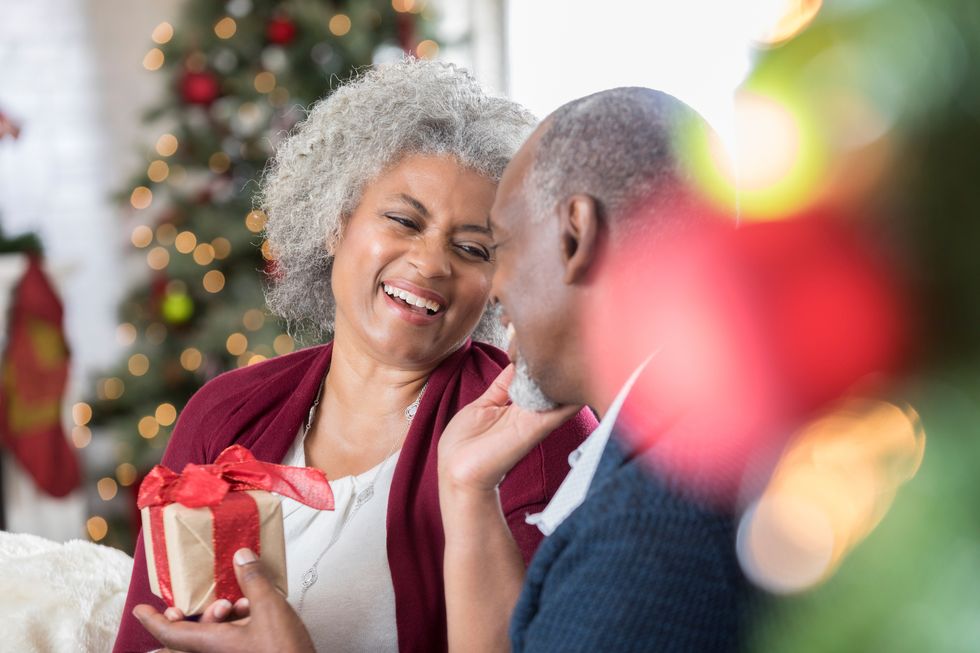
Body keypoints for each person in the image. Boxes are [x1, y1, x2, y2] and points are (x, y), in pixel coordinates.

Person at [133, 87, 747, 652]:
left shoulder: (530, 434)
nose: (430, 263)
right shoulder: (227, 410)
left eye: (479, 248)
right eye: (403, 220)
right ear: (335, 221)